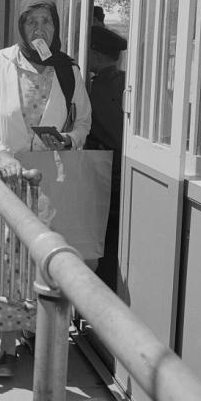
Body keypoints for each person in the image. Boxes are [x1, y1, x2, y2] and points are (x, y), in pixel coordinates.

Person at [0, 0, 92, 378]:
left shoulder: (67, 70)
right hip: (8, 180)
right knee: (6, 262)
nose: (40, 29)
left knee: (45, 261)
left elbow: (83, 121)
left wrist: (69, 140)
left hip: (50, 181)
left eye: (47, 22)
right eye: (32, 22)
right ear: (20, 26)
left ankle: (37, 335)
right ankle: (5, 347)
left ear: (56, 27)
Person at [84, 24, 127, 291]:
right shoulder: (122, 82)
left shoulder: (96, 89)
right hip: (120, 170)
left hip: (105, 171)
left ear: (97, 57)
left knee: (104, 236)